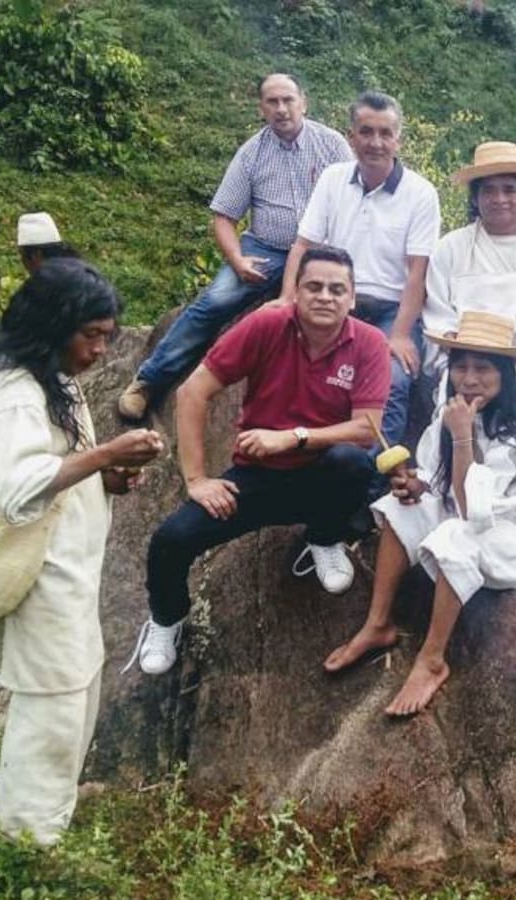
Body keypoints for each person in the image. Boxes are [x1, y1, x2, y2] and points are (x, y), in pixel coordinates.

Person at [0, 258, 163, 845]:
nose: (102, 349)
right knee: (50, 702)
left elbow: (54, 470)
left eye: (107, 334)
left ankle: (52, 811)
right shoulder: (10, 396)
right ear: (54, 325)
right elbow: (19, 488)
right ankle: (26, 841)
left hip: (70, 567)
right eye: (92, 335)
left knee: (77, 688)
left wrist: (107, 477)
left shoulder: (50, 381)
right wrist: (105, 455)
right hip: (40, 569)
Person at [129, 247, 391, 676]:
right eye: (314, 287)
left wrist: (292, 437)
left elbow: (367, 428)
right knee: (170, 540)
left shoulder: (369, 343)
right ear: (296, 292)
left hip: (320, 476)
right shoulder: (268, 324)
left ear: (352, 298)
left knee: (353, 463)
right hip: (255, 479)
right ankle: (167, 619)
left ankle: (324, 538)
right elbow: (192, 392)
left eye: (336, 289)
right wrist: (196, 479)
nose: (325, 296)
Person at [323, 311, 516, 716]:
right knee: (399, 507)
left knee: (455, 536)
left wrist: (462, 437)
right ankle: (378, 623)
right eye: (461, 366)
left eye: (483, 368)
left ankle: (433, 659)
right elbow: (438, 481)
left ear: (505, 374)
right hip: (477, 519)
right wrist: (418, 485)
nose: (469, 378)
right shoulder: (452, 413)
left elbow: (475, 512)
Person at [118, 73, 352, 418]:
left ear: (304, 102)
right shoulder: (252, 153)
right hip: (267, 250)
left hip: (323, 251)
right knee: (214, 301)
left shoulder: (332, 145)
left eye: (288, 100)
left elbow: (355, 200)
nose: (282, 109)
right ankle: (149, 382)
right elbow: (224, 216)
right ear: (261, 108)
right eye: (272, 102)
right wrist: (237, 260)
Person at [278, 90, 441, 451]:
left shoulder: (421, 193)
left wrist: (399, 334)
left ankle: (373, 480)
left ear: (399, 139)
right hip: (334, 299)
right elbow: (303, 246)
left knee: (393, 379)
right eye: (366, 132)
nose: (376, 143)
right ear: (351, 136)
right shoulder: (333, 179)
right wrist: (287, 298)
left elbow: (418, 272)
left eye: (386, 133)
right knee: (293, 365)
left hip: (390, 310)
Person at [422, 141, 516, 389]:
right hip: (468, 369)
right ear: (476, 199)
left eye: (509, 190)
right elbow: (438, 315)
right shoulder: (450, 248)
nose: (499, 199)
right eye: (489, 190)